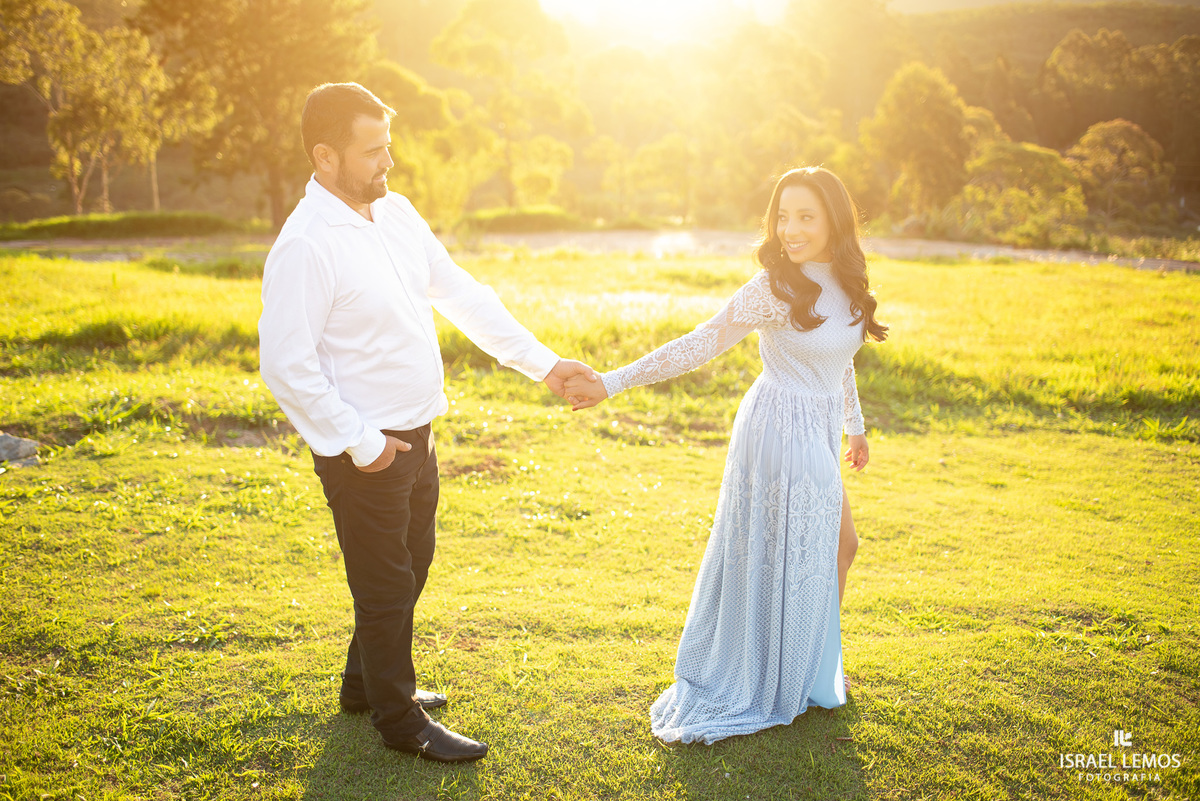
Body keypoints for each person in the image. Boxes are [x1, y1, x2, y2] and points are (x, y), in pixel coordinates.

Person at [258, 82, 597, 763]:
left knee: (411, 567)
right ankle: (400, 720)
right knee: (385, 585)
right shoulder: (306, 244)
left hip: (419, 435)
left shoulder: (399, 213)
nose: (388, 161)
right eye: (372, 151)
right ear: (325, 157)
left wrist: (544, 364)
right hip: (366, 451)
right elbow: (287, 365)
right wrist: (363, 444)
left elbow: (464, 296)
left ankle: (364, 684)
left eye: (388, 146)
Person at [565, 166, 887, 744]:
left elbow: (840, 362)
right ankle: (777, 676)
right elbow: (700, 343)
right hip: (778, 429)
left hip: (818, 428)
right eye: (782, 216)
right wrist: (612, 382)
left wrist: (854, 427)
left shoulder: (847, 281)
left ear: (835, 221)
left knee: (837, 548)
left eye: (806, 216)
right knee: (807, 551)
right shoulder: (774, 287)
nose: (790, 229)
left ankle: (809, 671)